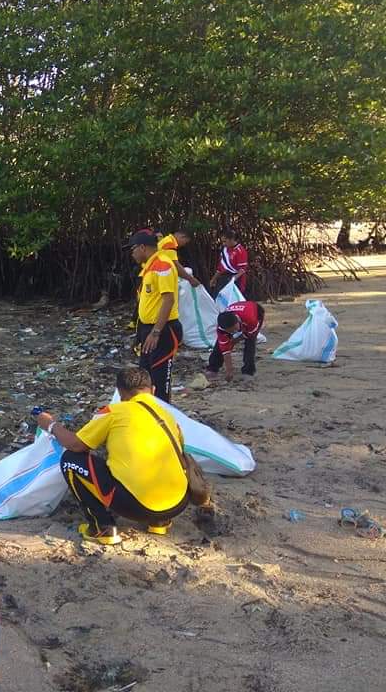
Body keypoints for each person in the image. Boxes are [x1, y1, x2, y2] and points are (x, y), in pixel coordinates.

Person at [35, 368, 189, 545]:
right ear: (153, 390)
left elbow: (76, 445)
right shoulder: (167, 414)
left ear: (120, 393)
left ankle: (102, 526)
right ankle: (159, 522)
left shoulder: (113, 412)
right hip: (177, 504)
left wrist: (51, 424)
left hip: (137, 507)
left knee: (70, 460)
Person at [127, 229, 183, 402]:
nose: (132, 254)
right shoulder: (149, 267)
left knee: (159, 381)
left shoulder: (163, 265)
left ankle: (164, 416)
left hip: (163, 330)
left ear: (143, 247)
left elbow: (168, 300)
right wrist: (140, 333)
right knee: (144, 377)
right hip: (148, 329)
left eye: (133, 249)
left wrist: (156, 332)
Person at [206, 301, 265, 381]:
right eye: (230, 331)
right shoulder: (221, 328)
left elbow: (249, 334)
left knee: (250, 343)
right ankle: (213, 368)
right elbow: (225, 351)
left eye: (234, 329)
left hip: (255, 310)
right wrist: (229, 370)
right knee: (219, 345)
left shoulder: (251, 319)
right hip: (238, 313)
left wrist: (235, 340)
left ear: (237, 321)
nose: (233, 332)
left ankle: (248, 371)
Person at [210, 227, 249, 294]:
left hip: (236, 280)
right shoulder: (224, 250)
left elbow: (242, 269)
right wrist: (214, 279)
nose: (223, 244)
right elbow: (221, 267)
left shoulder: (240, 251)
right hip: (224, 279)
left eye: (225, 241)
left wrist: (233, 279)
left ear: (232, 239)